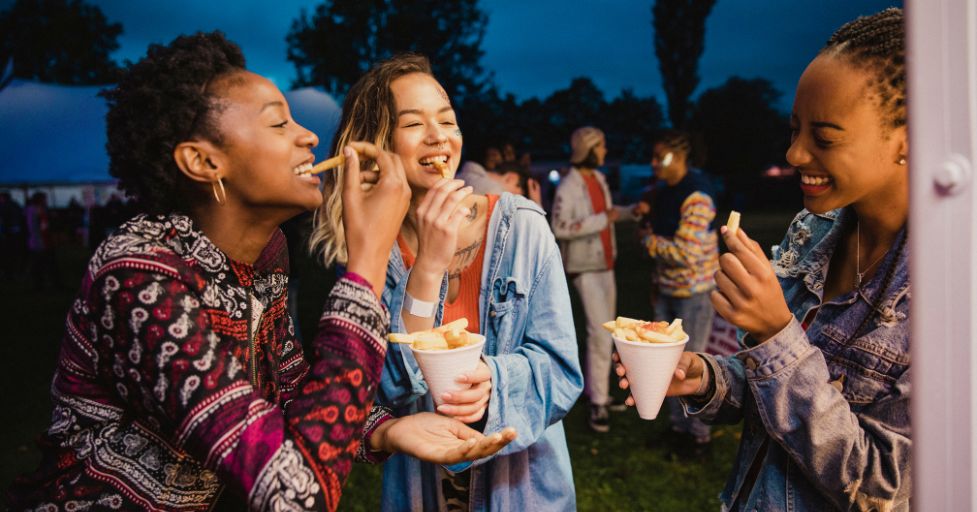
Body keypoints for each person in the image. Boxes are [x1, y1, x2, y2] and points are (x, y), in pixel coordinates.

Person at [6, 33, 513, 512]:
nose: (310, 136)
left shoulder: (266, 253)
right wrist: (367, 264)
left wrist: (383, 431)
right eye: (278, 124)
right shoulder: (138, 276)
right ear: (203, 161)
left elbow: (288, 388)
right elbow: (293, 493)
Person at [617, 8, 910, 510]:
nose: (795, 154)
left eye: (825, 136)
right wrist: (708, 377)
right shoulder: (813, 230)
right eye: (794, 129)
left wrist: (776, 334)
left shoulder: (950, 288)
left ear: (908, 141)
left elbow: (879, 486)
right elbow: (774, 392)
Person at [310, 53, 582, 511]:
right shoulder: (369, 251)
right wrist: (429, 266)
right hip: (420, 492)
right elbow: (388, 389)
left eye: (448, 120)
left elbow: (561, 370)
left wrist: (494, 383)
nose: (439, 137)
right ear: (378, 143)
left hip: (523, 491)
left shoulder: (522, 226)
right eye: (414, 124)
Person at [551, 126, 648, 432]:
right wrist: (601, 220)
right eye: (602, 146)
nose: (606, 151)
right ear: (589, 148)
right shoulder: (569, 185)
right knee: (598, 333)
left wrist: (631, 211)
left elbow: (609, 213)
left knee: (608, 331)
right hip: (585, 268)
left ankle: (599, 393)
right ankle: (598, 405)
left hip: (606, 265)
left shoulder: (599, 179)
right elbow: (560, 226)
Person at [639, 130, 719, 451]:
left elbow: (686, 253)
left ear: (680, 154)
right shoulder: (664, 191)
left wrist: (647, 241)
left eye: (661, 157)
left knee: (689, 364)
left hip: (694, 294)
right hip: (667, 289)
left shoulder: (697, 196)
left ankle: (698, 437)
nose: (654, 163)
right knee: (663, 363)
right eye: (654, 156)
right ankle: (676, 428)